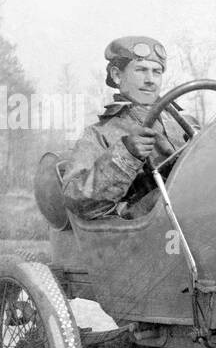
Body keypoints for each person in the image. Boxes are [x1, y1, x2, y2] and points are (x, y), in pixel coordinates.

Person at [61, 36, 195, 220]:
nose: (150, 80)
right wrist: (126, 154)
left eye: (157, 72)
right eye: (141, 70)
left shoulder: (186, 124)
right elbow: (78, 201)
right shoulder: (99, 134)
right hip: (146, 233)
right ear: (117, 75)